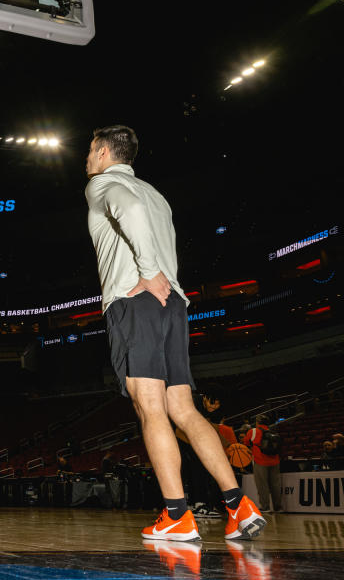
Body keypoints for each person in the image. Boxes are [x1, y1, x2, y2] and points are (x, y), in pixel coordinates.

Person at [84, 125, 264, 541]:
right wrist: (159, 278)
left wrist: (147, 274)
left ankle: (177, 515)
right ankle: (239, 504)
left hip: (136, 302)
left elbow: (127, 212)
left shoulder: (102, 184)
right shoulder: (156, 195)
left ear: (106, 152)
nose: (88, 159)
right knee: (183, 409)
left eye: (91, 151)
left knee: (151, 409)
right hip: (173, 304)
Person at [244, 415, 282, 512]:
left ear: (257, 422)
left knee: (262, 485)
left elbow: (246, 443)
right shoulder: (273, 431)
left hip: (260, 461)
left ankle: (265, 507)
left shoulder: (253, 431)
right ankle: (278, 508)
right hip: (275, 461)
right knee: (275, 485)